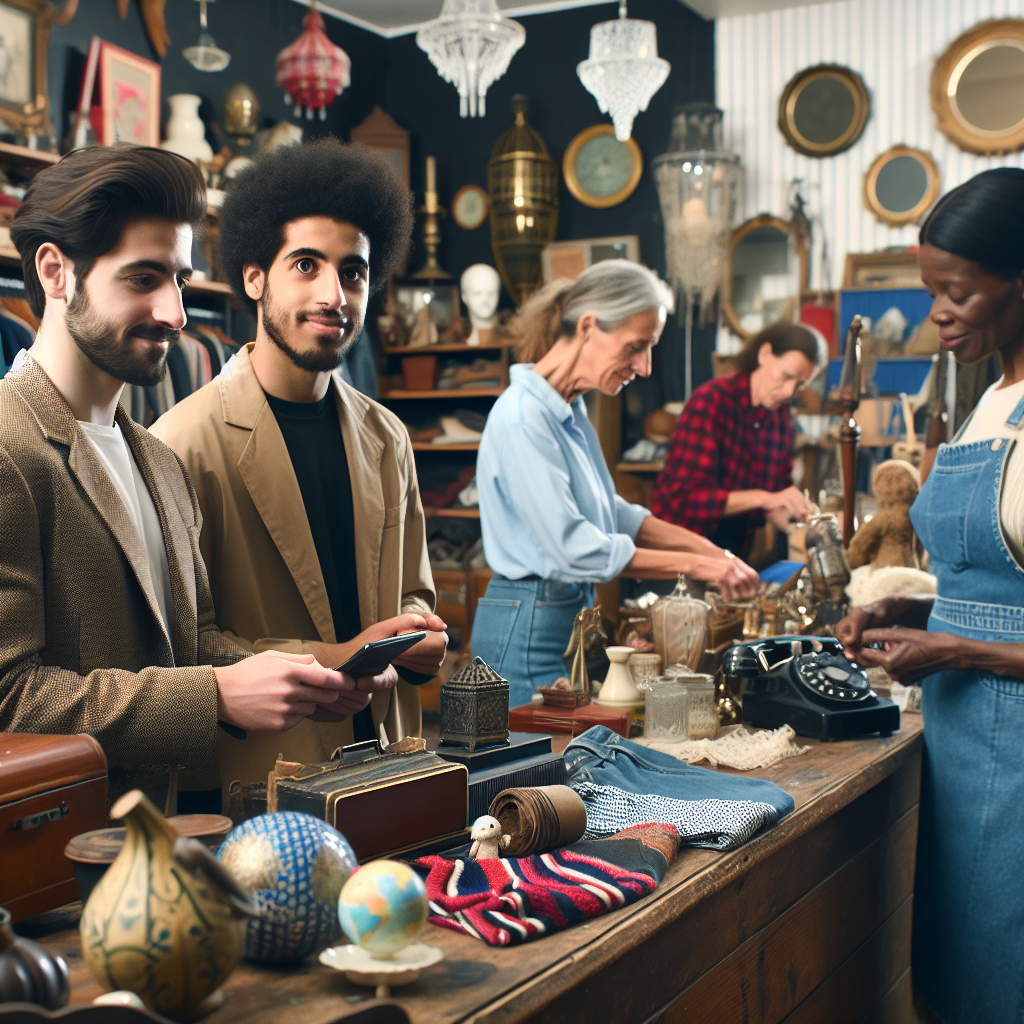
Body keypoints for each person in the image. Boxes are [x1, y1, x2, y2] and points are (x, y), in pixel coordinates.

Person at [0, 146, 363, 805]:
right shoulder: (6, 446)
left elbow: (193, 644)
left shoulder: (159, 461)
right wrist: (216, 695)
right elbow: (9, 699)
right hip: (54, 864)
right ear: (55, 271)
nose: (175, 312)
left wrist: (312, 676)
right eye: (143, 279)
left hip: (176, 841)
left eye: (180, 280)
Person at [153, 138, 447, 791]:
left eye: (354, 271)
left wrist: (418, 636)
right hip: (268, 778)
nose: (334, 293)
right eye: (307, 265)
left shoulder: (386, 435)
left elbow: (412, 588)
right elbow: (182, 649)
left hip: (389, 763)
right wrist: (329, 659)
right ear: (254, 277)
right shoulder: (181, 441)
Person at [836, 167, 1024, 1024]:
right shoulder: (989, 399)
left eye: (957, 292)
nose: (937, 313)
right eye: (929, 291)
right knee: (951, 978)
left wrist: (952, 650)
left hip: (1015, 744)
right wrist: (912, 613)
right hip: (957, 741)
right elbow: (987, 584)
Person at [472, 260, 759, 707]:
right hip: (527, 626)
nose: (644, 367)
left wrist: (713, 553)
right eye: (635, 347)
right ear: (588, 327)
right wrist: (701, 568)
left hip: (565, 618)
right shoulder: (523, 418)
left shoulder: (569, 408)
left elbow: (616, 513)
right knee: (539, 771)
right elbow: (576, 547)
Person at [650, 323, 820, 562]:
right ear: (764, 354)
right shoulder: (711, 402)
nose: (789, 392)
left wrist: (804, 522)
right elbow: (686, 499)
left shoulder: (781, 419)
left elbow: (776, 492)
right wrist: (765, 498)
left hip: (732, 553)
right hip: (678, 554)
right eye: (786, 376)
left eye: (799, 384)